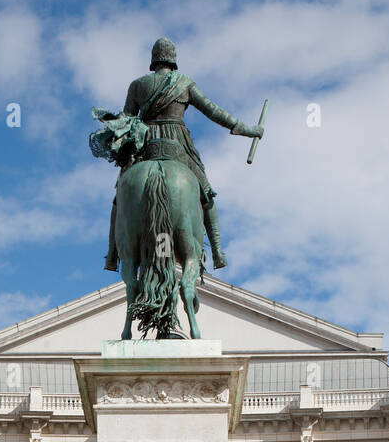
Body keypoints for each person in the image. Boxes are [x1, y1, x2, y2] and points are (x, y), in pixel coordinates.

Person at [91, 38, 263, 272]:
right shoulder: (185, 83)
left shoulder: (138, 85)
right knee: (205, 193)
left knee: (119, 196)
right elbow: (214, 111)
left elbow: (127, 119)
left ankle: (112, 254)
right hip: (177, 142)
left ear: (153, 61)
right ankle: (217, 251)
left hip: (146, 144)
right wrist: (245, 129)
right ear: (173, 60)